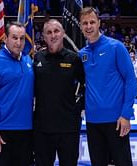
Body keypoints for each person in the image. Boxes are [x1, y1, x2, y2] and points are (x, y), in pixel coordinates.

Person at [78, 7, 137, 166]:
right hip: (92, 122)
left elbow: (130, 80)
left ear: (99, 23)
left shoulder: (116, 47)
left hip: (117, 121)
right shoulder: (81, 54)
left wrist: (126, 115)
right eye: (85, 23)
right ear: (80, 26)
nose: (88, 26)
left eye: (92, 22)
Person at [0, 22, 34, 166]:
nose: (18, 42)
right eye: (14, 38)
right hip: (1, 132)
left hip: (26, 132)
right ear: (5, 38)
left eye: (22, 38)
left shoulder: (28, 61)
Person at [33, 19, 85, 166]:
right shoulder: (38, 58)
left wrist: (78, 109)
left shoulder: (74, 59)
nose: (53, 35)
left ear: (63, 34)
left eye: (56, 31)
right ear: (43, 36)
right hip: (42, 129)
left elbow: (86, 86)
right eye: (49, 32)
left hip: (68, 129)